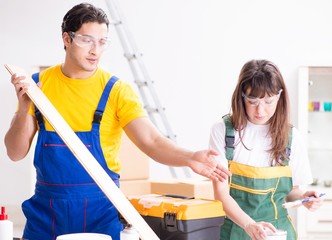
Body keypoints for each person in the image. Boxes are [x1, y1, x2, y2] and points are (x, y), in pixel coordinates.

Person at [4, 3, 231, 240]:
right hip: (46, 215)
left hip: (99, 213)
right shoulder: (38, 85)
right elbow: (15, 152)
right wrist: (23, 109)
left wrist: (189, 157)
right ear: (67, 39)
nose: (95, 50)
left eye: (102, 42)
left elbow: (151, 141)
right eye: (87, 40)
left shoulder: (116, 91)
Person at [209, 59, 324, 240]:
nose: (260, 110)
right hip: (235, 231)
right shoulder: (223, 131)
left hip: (276, 233)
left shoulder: (291, 137)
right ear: (241, 96)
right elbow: (221, 194)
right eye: (253, 101)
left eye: (269, 101)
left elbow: (291, 192)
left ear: (279, 96)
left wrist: (304, 197)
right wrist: (249, 225)